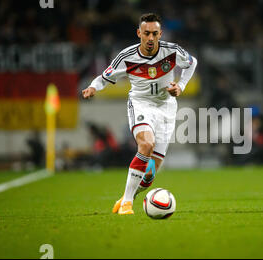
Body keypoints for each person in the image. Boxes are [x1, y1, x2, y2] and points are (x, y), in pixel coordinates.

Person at [82, 13, 198, 215]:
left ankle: (129, 195)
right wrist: (92, 87)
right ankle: (127, 203)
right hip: (141, 104)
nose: (151, 38)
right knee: (146, 144)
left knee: (150, 175)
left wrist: (180, 86)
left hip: (167, 108)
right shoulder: (126, 57)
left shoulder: (172, 51)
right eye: (147, 33)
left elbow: (192, 62)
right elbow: (104, 76)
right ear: (139, 33)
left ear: (160, 33)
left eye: (155, 33)